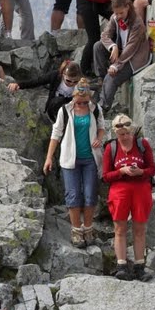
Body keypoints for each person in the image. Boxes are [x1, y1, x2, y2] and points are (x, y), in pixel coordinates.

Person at [43, 79, 105, 249]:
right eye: (79, 101)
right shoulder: (65, 110)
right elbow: (56, 134)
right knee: (73, 194)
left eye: (85, 101)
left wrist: (99, 139)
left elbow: (101, 127)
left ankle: (88, 228)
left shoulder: (95, 109)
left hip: (90, 158)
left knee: (90, 193)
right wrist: (49, 157)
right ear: (74, 97)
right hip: (70, 159)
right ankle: (76, 230)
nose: (82, 104)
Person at [102, 113, 155, 281]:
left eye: (127, 134)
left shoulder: (142, 144)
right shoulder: (111, 148)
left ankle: (140, 266)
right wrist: (121, 172)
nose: (125, 137)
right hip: (119, 190)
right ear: (115, 134)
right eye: (121, 135)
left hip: (141, 189)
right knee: (120, 229)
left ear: (132, 132)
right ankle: (121, 265)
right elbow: (105, 176)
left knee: (139, 229)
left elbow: (152, 168)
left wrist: (140, 172)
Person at [98, 0, 149, 111]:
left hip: (134, 58)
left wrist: (116, 66)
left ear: (127, 7)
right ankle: (101, 79)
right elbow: (104, 35)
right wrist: (113, 46)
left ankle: (103, 108)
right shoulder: (115, 18)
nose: (118, 16)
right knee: (98, 47)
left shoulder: (137, 23)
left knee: (112, 77)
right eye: (116, 13)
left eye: (121, 13)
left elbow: (131, 48)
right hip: (121, 51)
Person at [7, 60, 83, 123]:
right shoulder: (55, 75)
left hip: (72, 108)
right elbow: (37, 81)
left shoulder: (81, 84)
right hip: (54, 106)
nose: (72, 83)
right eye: (69, 81)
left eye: (75, 81)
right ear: (63, 74)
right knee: (59, 101)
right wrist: (18, 85)